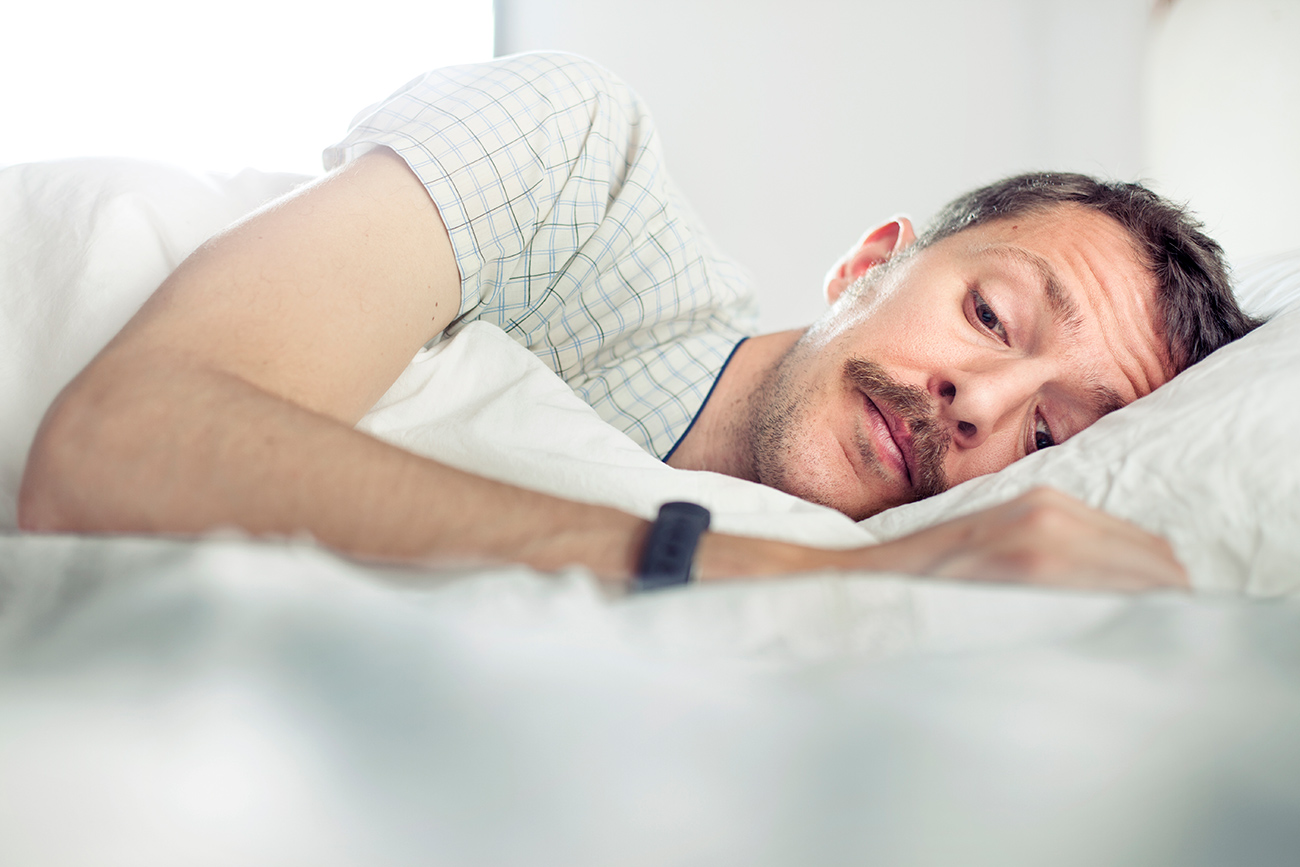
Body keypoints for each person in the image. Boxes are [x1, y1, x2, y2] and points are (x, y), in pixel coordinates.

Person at [17, 53, 1261, 590]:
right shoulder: (576, 154)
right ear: (866, 265)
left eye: (1048, 437)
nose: (980, 405)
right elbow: (119, 449)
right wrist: (717, 569)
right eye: (989, 314)